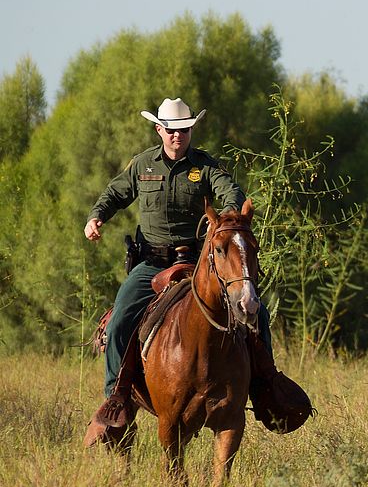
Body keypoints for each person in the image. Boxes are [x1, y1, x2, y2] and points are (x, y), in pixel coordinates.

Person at [83, 97, 281, 446]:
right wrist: (96, 216)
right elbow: (116, 193)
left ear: (191, 130)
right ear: (159, 130)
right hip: (151, 264)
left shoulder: (204, 166)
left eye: (184, 130)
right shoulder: (143, 164)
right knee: (118, 322)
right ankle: (115, 399)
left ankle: (266, 387)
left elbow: (229, 191)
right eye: (172, 130)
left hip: (196, 262)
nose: (178, 136)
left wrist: (232, 216)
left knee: (257, 311)